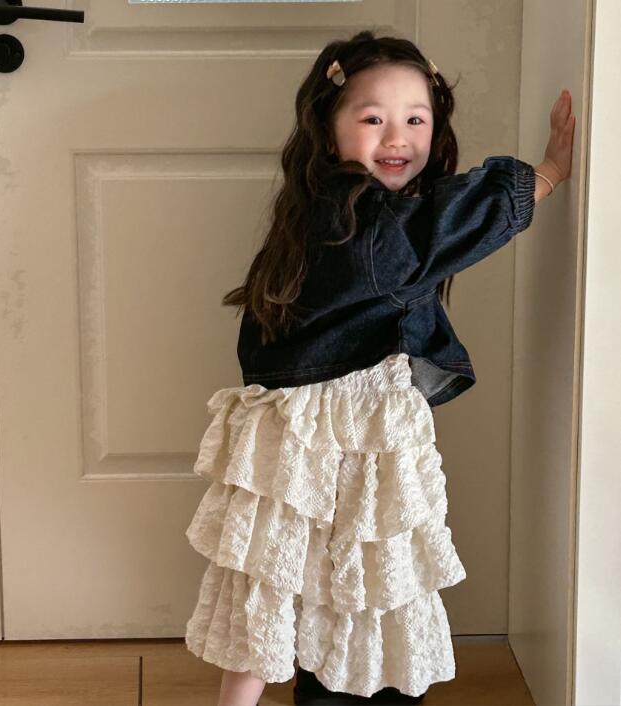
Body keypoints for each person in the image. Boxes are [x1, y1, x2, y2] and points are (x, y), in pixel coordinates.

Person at [183, 30, 575, 706]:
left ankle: (331, 685)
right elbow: (430, 234)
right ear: (327, 128)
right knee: (302, 573)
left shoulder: (328, 205)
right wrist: (542, 176)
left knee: (296, 572)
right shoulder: (361, 221)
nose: (398, 137)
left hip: (325, 417)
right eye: (373, 119)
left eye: (415, 119)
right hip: (331, 423)